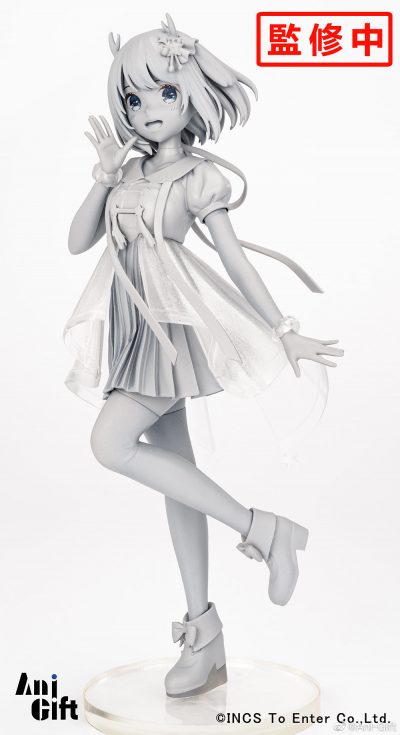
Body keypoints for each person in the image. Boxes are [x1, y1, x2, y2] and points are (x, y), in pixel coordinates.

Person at [65, 14, 344, 698]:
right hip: (131, 331)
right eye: (134, 97)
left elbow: (235, 260)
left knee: (109, 444)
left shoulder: (199, 179)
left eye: (164, 92)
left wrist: (282, 327)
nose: (148, 109)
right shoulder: (128, 171)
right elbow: (78, 242)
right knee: (176, 479)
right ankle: (205, 632)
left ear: (191, 93)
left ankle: (263, 529)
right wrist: (102, 178)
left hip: (170, 331)